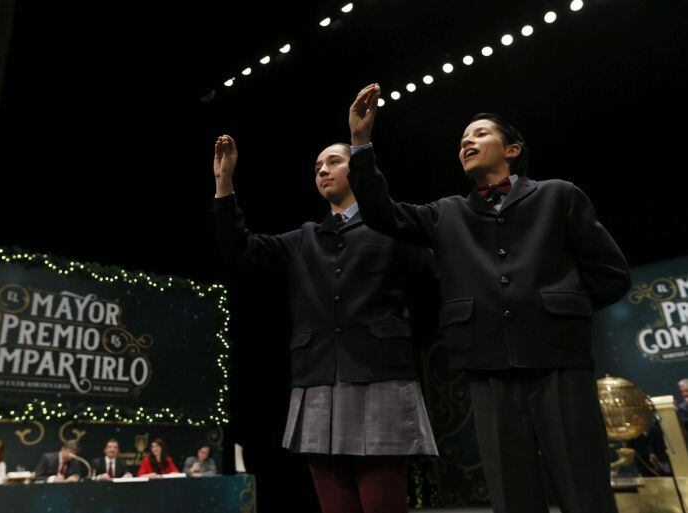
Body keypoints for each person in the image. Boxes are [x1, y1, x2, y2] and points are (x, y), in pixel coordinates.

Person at [345, 83, 631, 513]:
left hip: (558, 360)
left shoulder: (559, 195)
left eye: (479, 134)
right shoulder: (446, 213)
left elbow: (611, 275)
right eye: (462, 140)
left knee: (583, 486)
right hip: (487, 363)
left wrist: (558, 308)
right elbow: (381, 213)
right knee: (511, 493)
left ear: (512, 149)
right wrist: (361, 144)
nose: (467, 142)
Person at [211, 134, 437, 513]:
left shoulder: (392, 226)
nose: (323, 170)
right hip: (317, 379)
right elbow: (240, 249)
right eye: (317, 168)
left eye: (333, 161)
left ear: (358, 168)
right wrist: (224, 183)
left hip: (380, 375)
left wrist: (402, 341)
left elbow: (431, 289)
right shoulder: (305, 238)